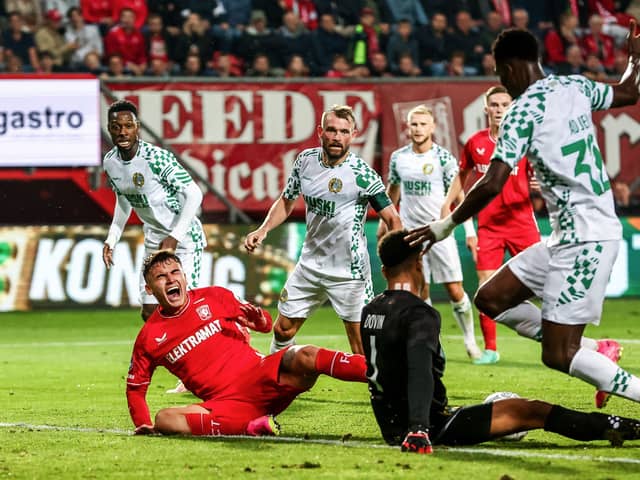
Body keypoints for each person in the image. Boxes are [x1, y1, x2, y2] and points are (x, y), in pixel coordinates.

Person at [406, 25, 640, 408]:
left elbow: (491, 182)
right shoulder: (575, 87)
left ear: (511, 67)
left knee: (559, 354)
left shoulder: (522, 112)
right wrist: (635, 57)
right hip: (565, 236)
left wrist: (443, 225)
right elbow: (629, 92)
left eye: (500, 73)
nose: (502, 82)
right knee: (491, 298)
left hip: (588, 240)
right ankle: (598, 349)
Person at [361, 230, 640, 453]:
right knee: (532, 411)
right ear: (420, 263)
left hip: (391, 425)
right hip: (429, 426)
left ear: (384, 271)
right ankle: (631, 428)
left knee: (519, 410)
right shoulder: (420, 314)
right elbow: (419, 371)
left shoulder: (370, 310)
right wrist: (420, 428)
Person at [126, 250, 367, 436]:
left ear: (184, 276)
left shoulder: (215, 296)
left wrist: (256, 317)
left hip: (262, 377)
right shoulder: (149, 337)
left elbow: (264, 325)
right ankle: (251, 426)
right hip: (226, 404)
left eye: (175, 272)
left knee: (305, 354)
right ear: (149, 288)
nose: (170, 280)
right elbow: (136, 389)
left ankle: (379, 371)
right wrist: (144, 425)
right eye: (161, 277)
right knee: (165, 419)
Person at [244, 105, 402, 355]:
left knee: (361, 347)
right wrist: (263, 230)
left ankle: (382, 391)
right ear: (320, 132)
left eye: (343, 131)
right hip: (310, 265)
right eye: (331, 130)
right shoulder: (305, 161)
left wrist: (397, 266)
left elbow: (393, 220)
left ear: (353, 134)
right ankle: (276, 382)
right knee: (282, 330)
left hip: (349, 273)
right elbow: (287, 200)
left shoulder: (362, 175)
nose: (337, 137)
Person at [442, 86, 540, 365]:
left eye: (504, 104)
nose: (499, 109)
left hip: (522, 223)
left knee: (545, 282)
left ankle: (559, 332)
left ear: (512, 107)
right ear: (486, 109)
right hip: (489, 227)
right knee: (485, 288)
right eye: (494, 105)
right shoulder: (475, 143)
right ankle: (491, 349)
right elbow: (462, 174)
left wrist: (539, 184)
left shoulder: (524, 141)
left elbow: (541, 175)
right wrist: (446, 204)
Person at [380, 105, 481, 360]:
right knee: (420, 290)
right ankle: (433, 343)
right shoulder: (399, 157)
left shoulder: (444, 158)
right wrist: (385, 220)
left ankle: (470, 340)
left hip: (440, 231)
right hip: (412, 234)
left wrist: (469, 230)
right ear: (408, 127)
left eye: (423, 124)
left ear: (432, 127)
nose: (418, 129)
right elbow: (392, 191)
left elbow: (459, 195)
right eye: (414, 124)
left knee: (455, 290)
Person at [102, 99, 206, 323]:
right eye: (116, 127)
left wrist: (174, 237)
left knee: (185, 310)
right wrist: (112, 238)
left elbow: (195, 194)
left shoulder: (155, 158)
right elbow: (123, 201)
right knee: (150, 312)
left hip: (185, 238)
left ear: (137, 127)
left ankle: (212, 351)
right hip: (154, 238)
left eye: (128, 126)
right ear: (109, 128)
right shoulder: (110, 162)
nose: (122, 132)